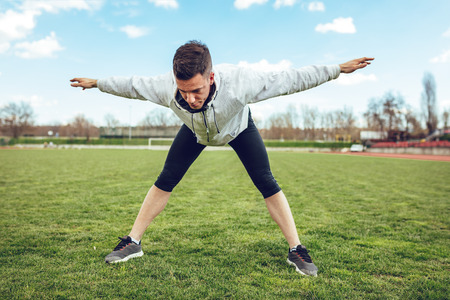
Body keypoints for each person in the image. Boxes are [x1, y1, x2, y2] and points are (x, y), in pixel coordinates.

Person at [71, 40, 373, 276]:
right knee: (165, 180)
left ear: (211, 76)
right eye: (183, 91)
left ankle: (297, 249)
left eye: (197, 90)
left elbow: (290, 79)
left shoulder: (241, 82)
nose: (190, 98)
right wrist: (98, 83)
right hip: (195, 132)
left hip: (238, 128)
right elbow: (132, 85)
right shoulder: (165, 87)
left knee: (266, 182)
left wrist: (336, 69)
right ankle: (132, 243)